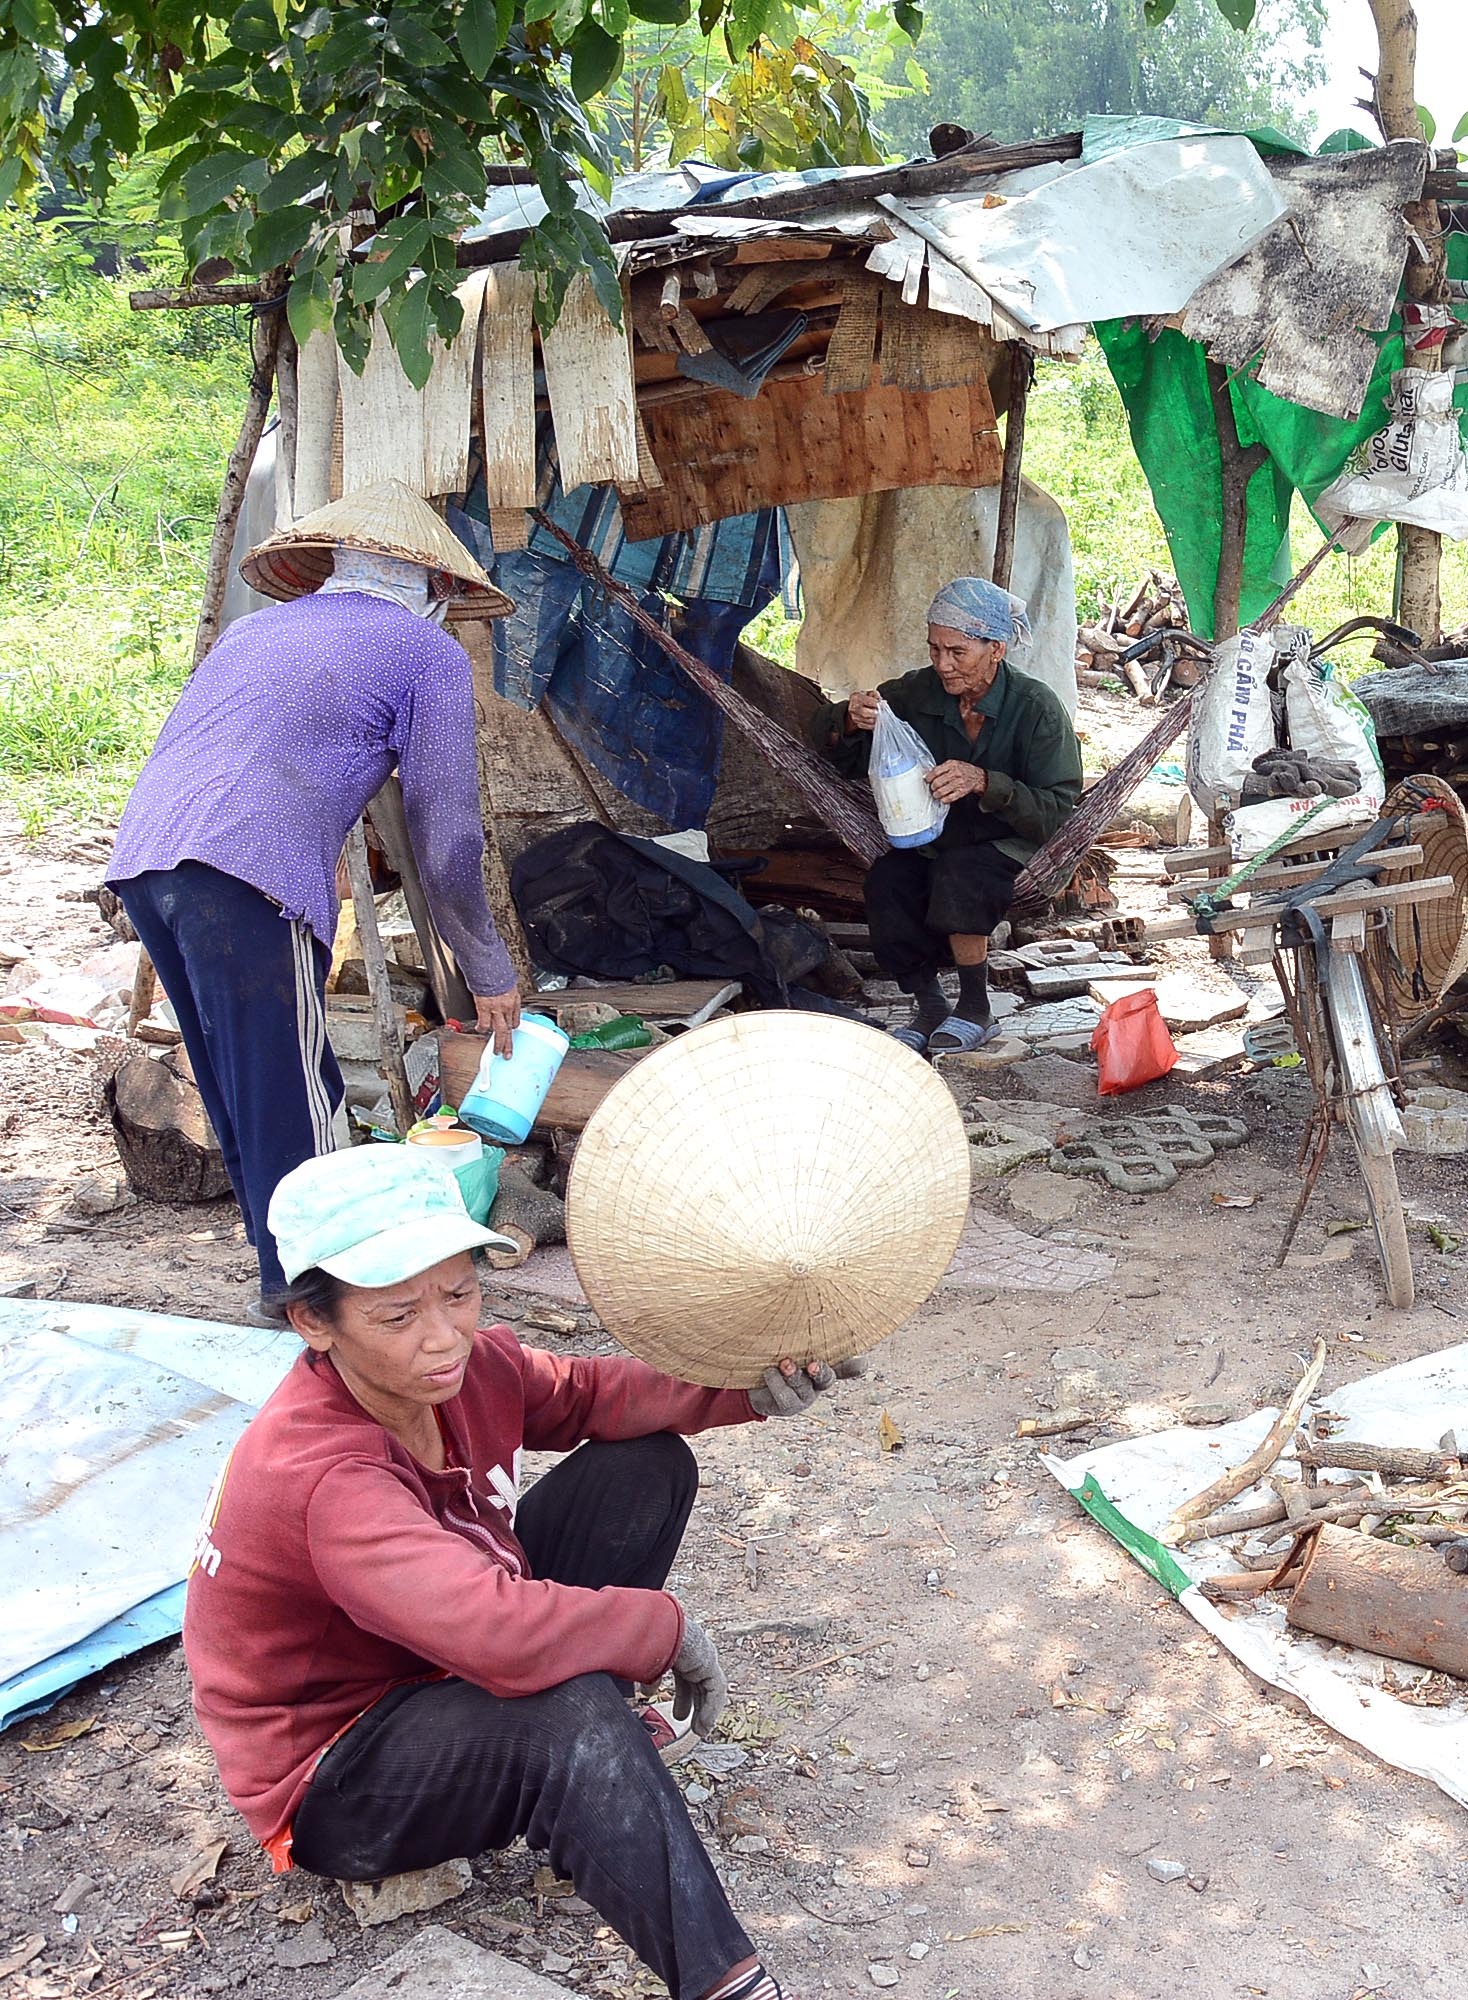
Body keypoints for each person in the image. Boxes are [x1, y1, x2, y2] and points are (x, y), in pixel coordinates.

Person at [185, 1146, 852, 2000]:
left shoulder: (465, 1367)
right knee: (563, 1712)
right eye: (396, 1316)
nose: (443, 1335)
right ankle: (725, 1984)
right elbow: (498, 1635)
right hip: (341, 1770)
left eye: (459, 1293)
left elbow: (592, 1395)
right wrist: (666, 1629)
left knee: (642, 1466)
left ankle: (595, 1787)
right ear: (315, 1324)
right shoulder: (321, 1473)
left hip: (436, 1650)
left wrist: (750, 1388)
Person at [107, 481, 523, 1314]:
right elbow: (449, 839)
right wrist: (488, 964)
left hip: (148, 861)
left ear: (333, 566)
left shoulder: (254, 632)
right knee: (293, 1099)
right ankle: (314, 1296)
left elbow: (239, 753)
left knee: (241, 1087)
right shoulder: (424, 652)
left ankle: (284, 1277)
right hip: (241, 874)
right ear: (439, 586)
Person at [811, 576, 1082, 1054]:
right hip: (935, 834)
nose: (943, 664)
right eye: (935, 649)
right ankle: (931, 1003)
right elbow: (841, 750)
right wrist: (852, 718)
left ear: (996, 649)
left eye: (958, 652)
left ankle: (976, 1007)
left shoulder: (1037, 709)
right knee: (888, 882)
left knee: (962, 875)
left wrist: (984, 782)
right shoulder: (918, 692)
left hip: (1009, 841)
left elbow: (1058, 811)